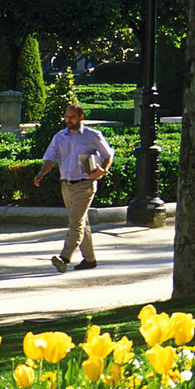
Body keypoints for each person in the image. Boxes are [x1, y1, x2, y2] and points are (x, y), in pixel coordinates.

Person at [33, 102, 114, 272]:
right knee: (81, 222)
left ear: (81, 117)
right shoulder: (59, 136)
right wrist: (41, 174)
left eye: (72, 117)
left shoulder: (93, 135)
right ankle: (90, 259)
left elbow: (108, 155)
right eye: (66, 117)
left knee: (75, 222)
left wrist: (103, 171)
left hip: (85, 184)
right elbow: (50, 158)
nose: (68, 120)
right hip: (67, 185)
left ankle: (64, 257)